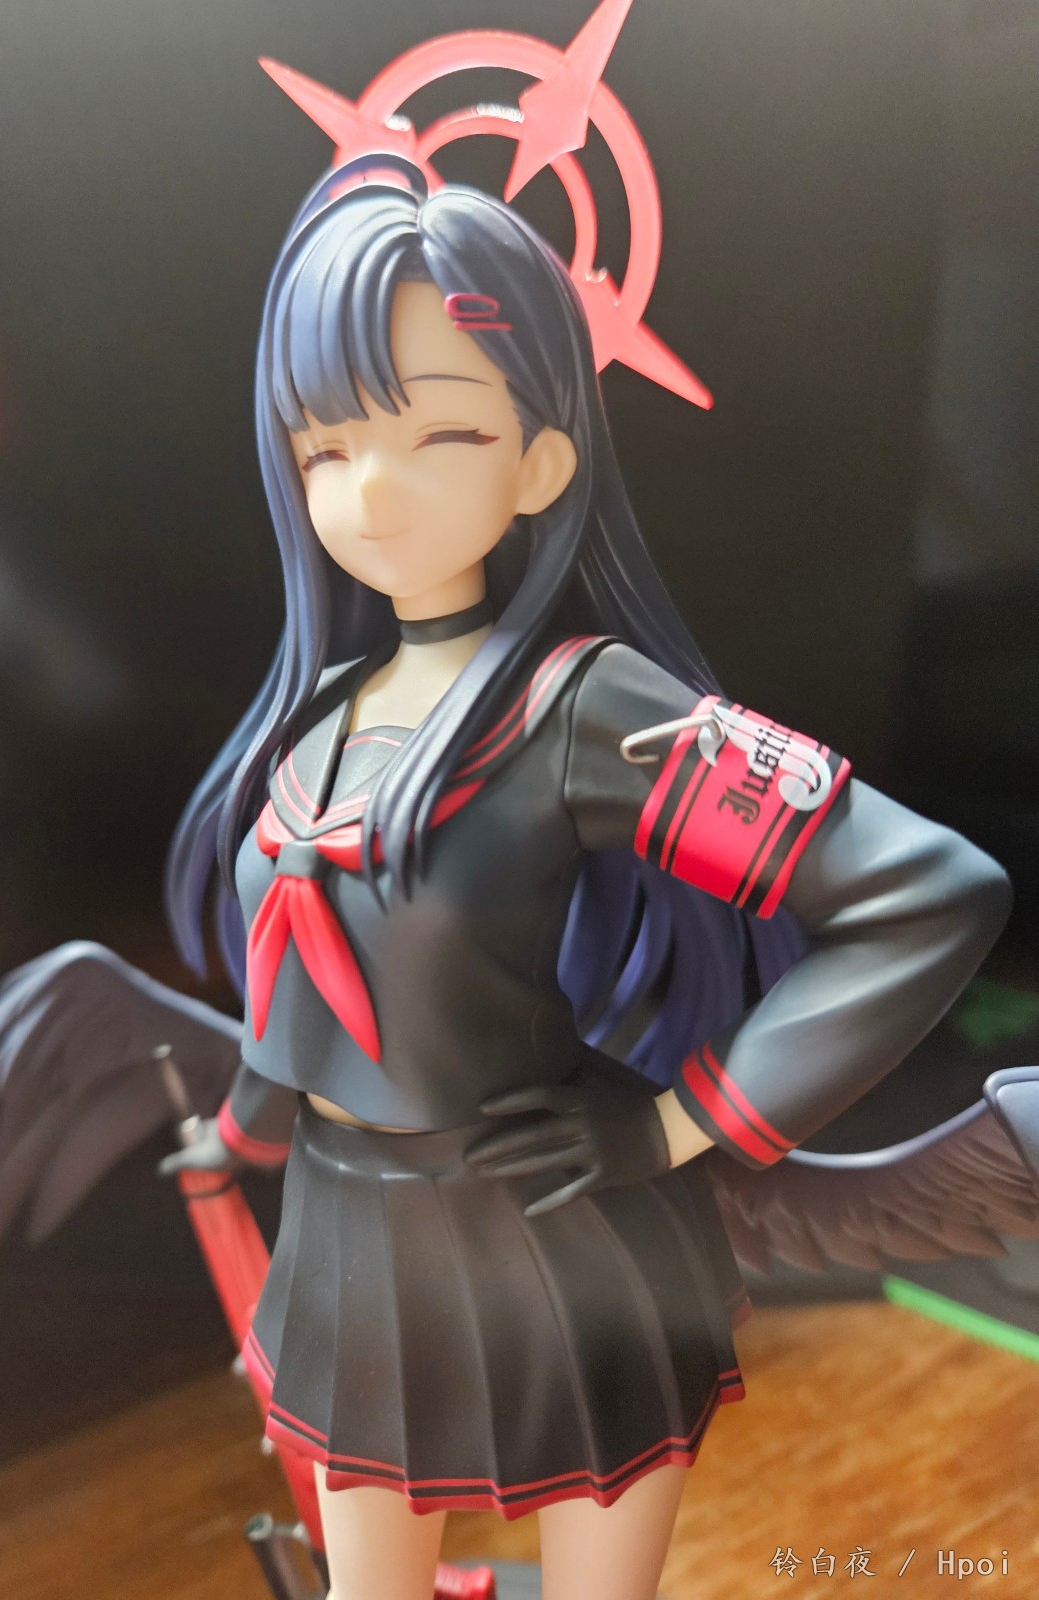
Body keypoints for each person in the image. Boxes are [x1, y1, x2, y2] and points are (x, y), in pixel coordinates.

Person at [155, 156, 1012, 1600]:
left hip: (553, 1246)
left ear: (542, 461)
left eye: (440, 432)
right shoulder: (316, 721)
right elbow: (298, 1005)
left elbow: (926, 892)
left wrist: (677, 1128)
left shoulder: (583, 707)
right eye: (326, 446)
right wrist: (235, 1139)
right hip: (347, 1242)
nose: (372, 489)